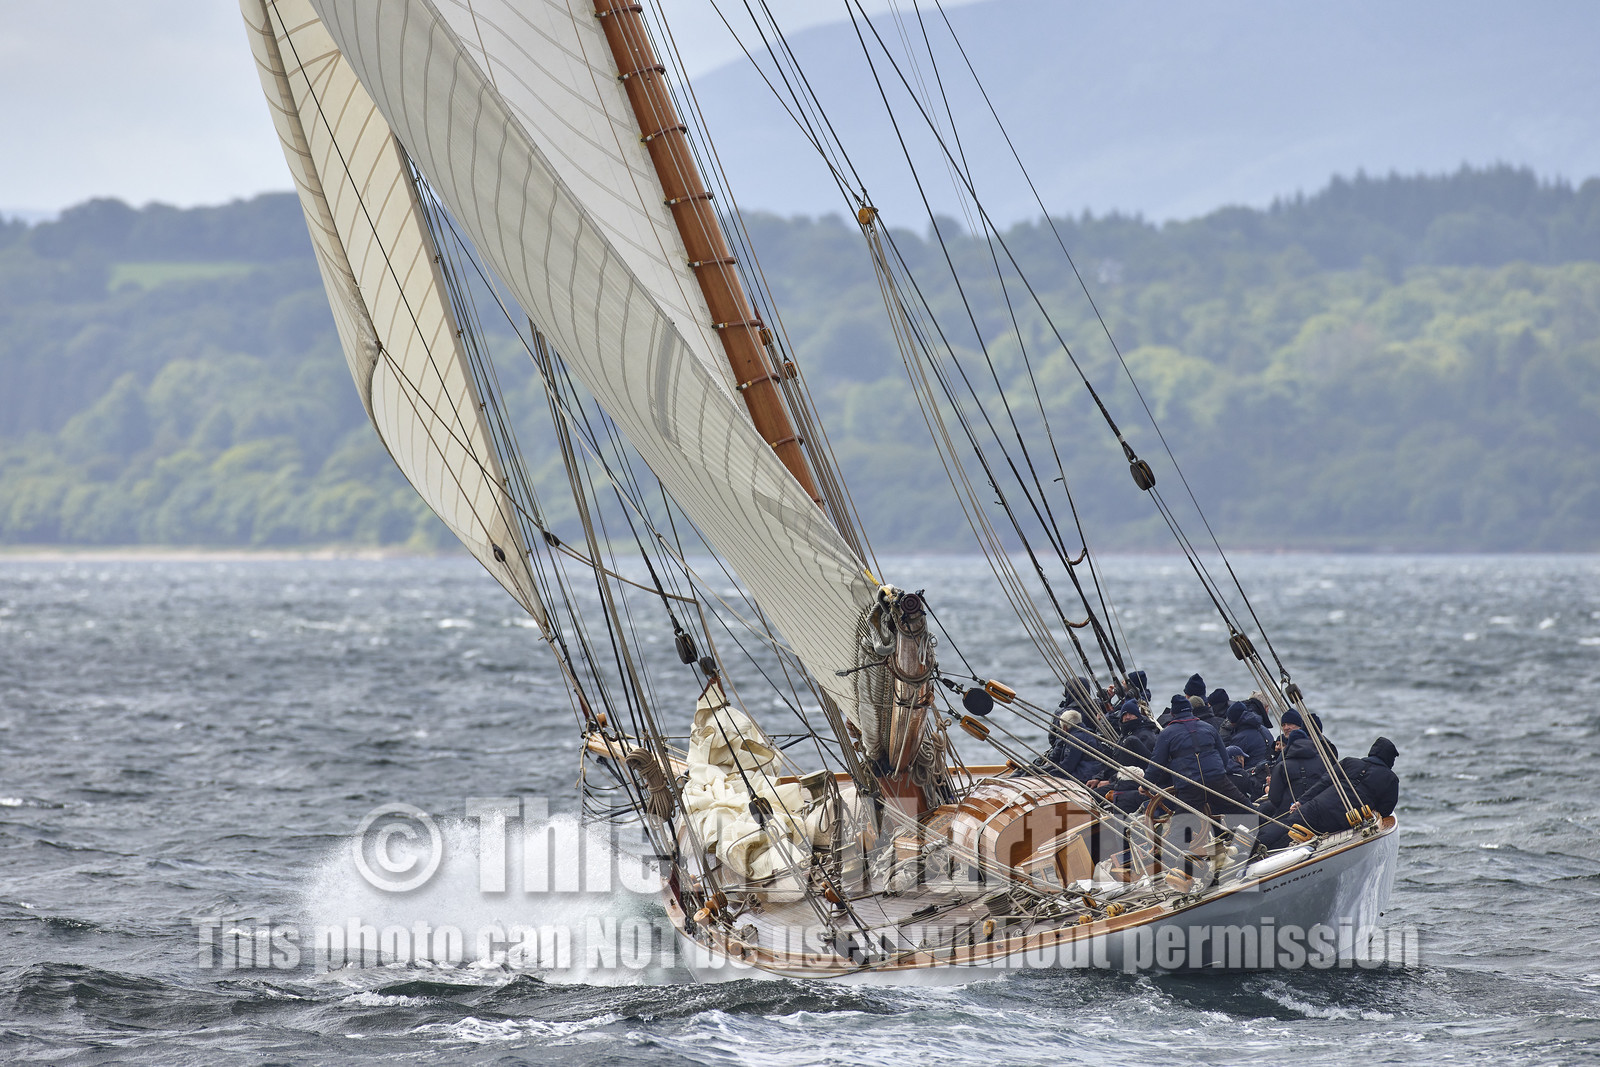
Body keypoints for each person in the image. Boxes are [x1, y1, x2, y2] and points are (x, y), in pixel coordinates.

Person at [1258, 738, 1400, 851]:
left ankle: (1252, 845)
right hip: (1340, 819)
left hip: (1317, 805)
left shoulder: (1349, 762)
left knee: (1287, 824)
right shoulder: (1391, 780)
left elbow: (1324, 782)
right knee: (1307, 838)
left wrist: (1302, 801)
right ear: (1390, 759)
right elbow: (1386, 810)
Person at [1145, 695, 1254, 816]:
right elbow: (1224, 757)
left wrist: (1145, 785)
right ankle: (1264, 827)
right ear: (1191, 711)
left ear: (1172, 713)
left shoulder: (1166, 734)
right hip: (1217, 781)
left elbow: (1157, 763)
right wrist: (1217, 773)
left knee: (1180, 829)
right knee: (1245, 808)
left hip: (1190, 787)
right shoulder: (1209, 728)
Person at [1257, 723, 1329, 819]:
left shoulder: (1282, 766)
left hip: (1289, 815)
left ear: (1289, 744)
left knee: (1262, 825)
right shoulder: (1324, 761)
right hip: (1321, 812)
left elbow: (1274, 798)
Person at [1227, 701, 1274, 768]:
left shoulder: (1240, 738)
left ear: (1233, 720)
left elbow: (1232, 762)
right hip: (1270, 768)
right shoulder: (1264, 729)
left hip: (1255, 774)